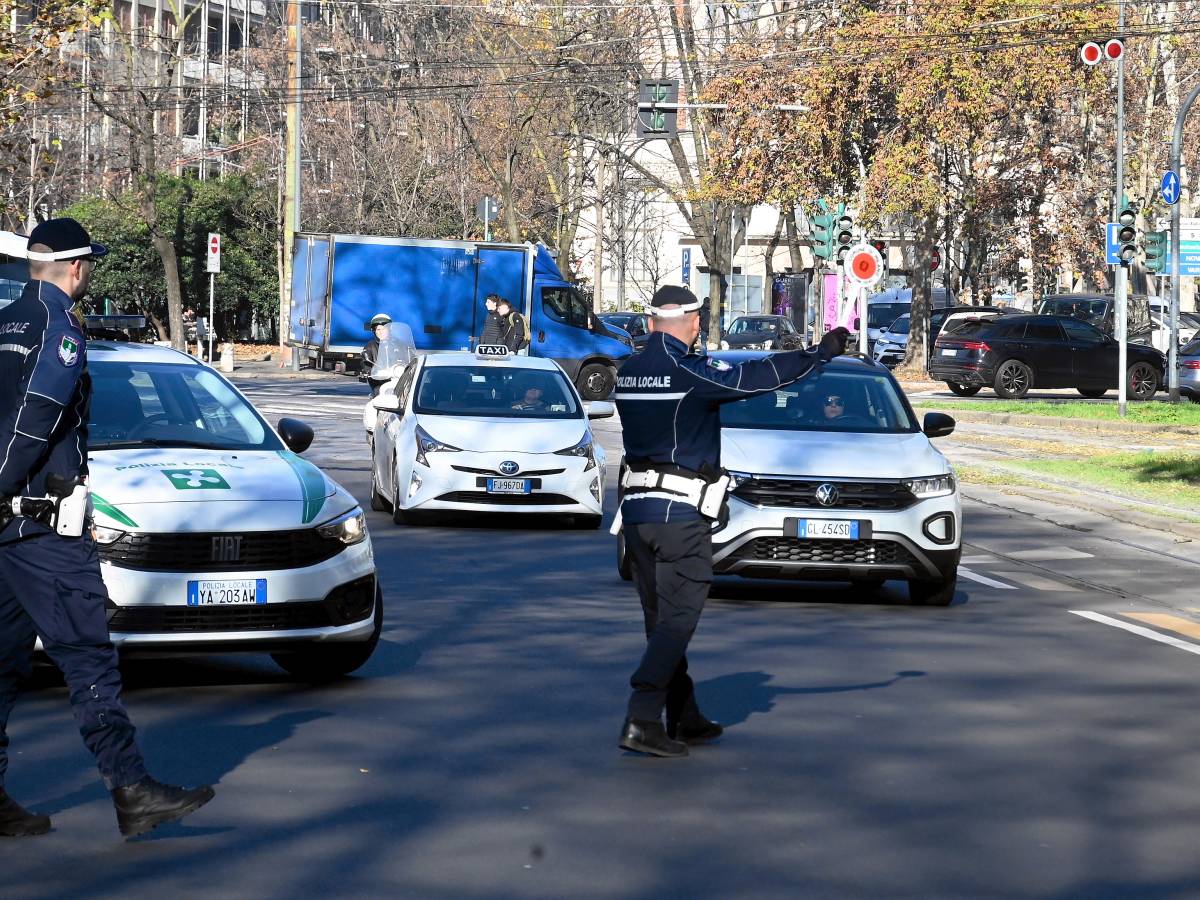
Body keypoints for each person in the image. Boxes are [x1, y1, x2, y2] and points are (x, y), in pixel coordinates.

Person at [0, 218, 214, 838]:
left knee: (3, 662)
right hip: (39, 528)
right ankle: (131, 788)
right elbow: (38, 415)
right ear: (77, 268)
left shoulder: (6, 320)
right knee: (88, 655)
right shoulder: (58, 324)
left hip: (8, 531)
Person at [613, 284, 850, 758]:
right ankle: (641, 719)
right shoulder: (686, 370)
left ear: (653, 320)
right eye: (699, 322)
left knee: (660, 621)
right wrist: (817, 354)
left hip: (636, 515)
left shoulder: (630, 371)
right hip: (679, 515)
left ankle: (684, 715)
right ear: (693, 322)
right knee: (679, 619)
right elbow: (755, 376)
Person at [360, 312, 391, 397]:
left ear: (389, 329)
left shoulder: (398, 344)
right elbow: (365, 361)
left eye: (384, 329)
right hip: (379, 382)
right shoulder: (370, 346)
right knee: (379, 395)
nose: (381, 332)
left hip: (397, 379)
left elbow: (407, 356)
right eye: (378, 329)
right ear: (374, 331)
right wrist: (368, 370)